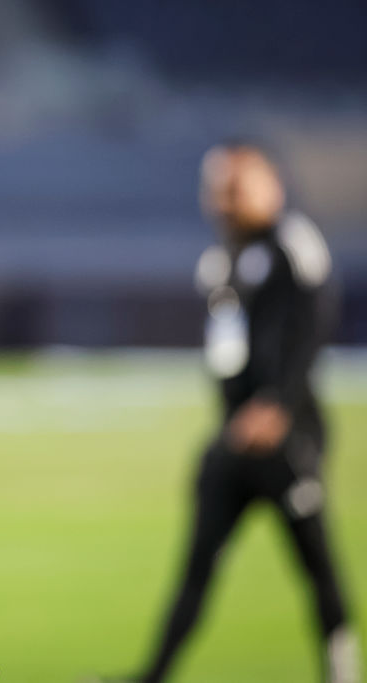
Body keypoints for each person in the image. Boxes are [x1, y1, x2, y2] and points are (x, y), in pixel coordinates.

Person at [112, 142, 360, 683]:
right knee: (196, 568)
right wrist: (234, 418)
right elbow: (228, 353)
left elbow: (313, 325)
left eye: (235, 187)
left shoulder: (294, 243)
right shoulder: (220, 262)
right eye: (217, 188)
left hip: (289, 440)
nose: (223, 200)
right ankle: (153, 674)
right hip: (235, 441)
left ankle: (342, 671)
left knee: (317, 563)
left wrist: (278, 405)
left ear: (270, 186)